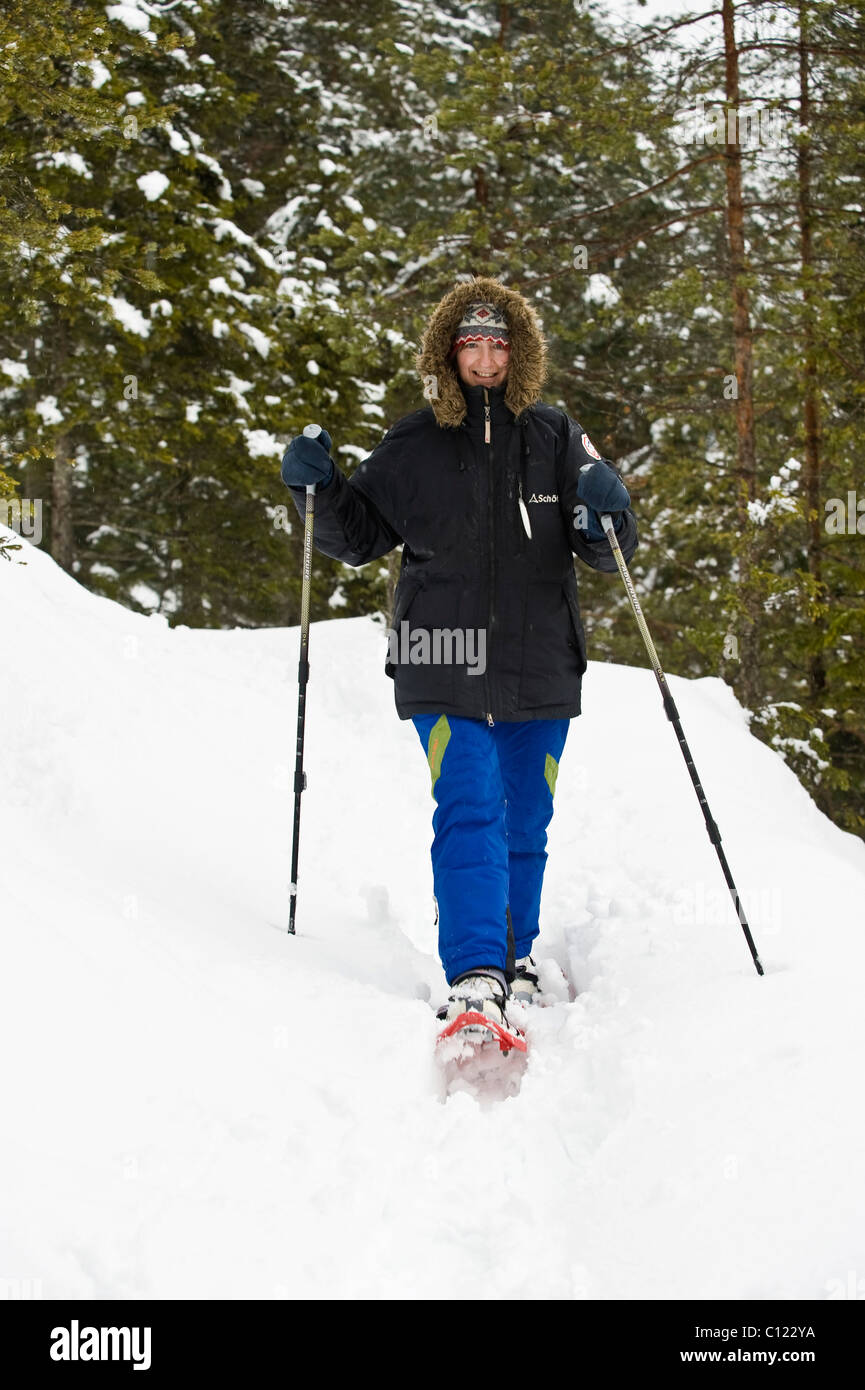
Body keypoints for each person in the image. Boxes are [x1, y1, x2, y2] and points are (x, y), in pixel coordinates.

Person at [281, 276, 637, 1039]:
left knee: (525, 818)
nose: (485, 357)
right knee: (469, 804)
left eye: (499, 344)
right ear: (449, 351)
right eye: (471, 343)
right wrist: (317, 489)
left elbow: (604, 549)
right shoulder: (416, 441)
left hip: (541, 658)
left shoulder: (554, 437)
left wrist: (611, 509)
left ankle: (513, 958)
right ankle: (475, 972)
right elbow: (358, 536)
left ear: (520, 353)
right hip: (439, 655)